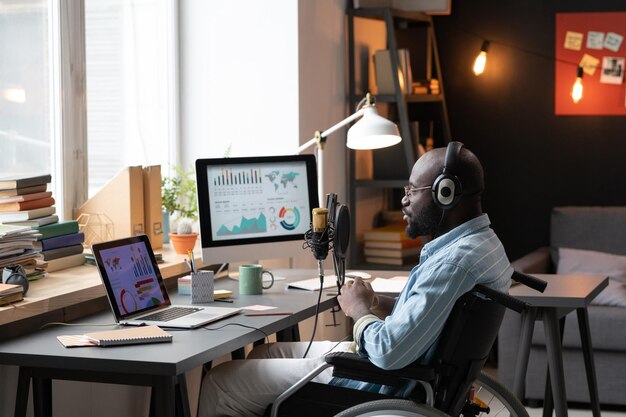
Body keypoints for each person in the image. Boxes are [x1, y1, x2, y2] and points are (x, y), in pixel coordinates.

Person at [198, 142, 512, 417]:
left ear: (446, 194)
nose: (404, 201)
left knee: (219, 382)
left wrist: (359, 310)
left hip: (376, 383)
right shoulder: (483, 245)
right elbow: (435, 318)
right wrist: (379, 303)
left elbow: (389, 351)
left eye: (411, 191)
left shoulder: (453, 263)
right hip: (402, 372)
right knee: (264, 353)